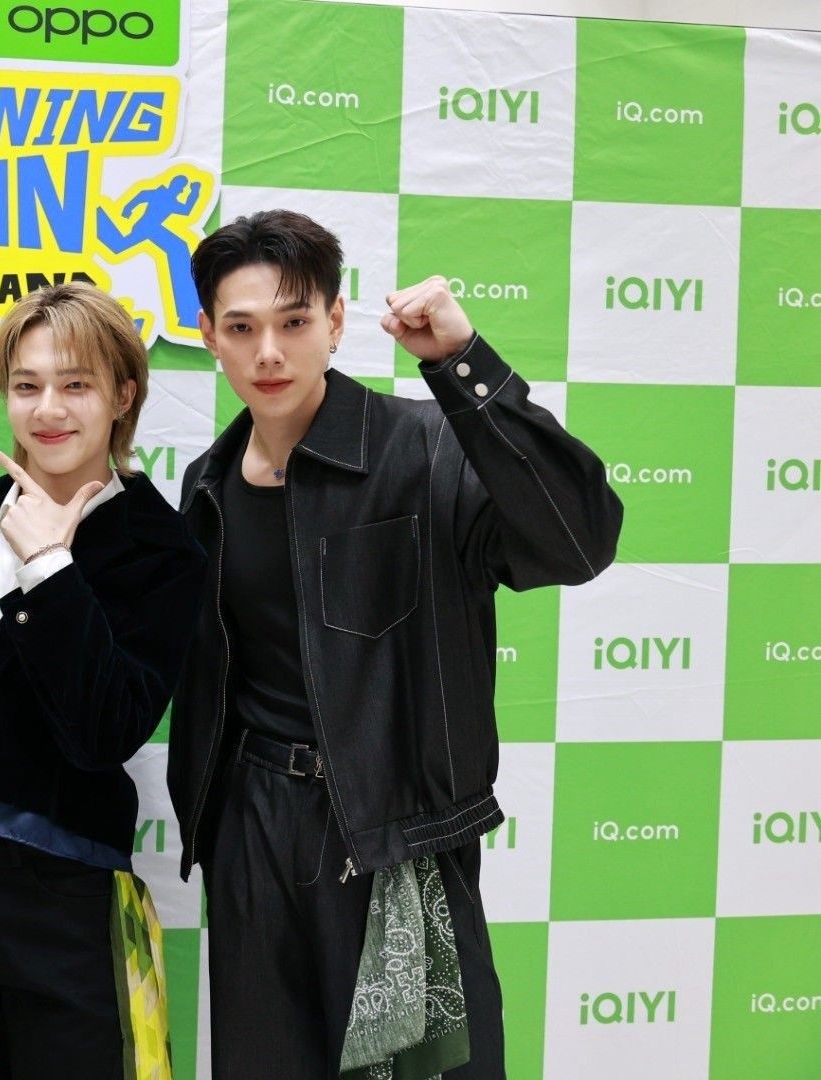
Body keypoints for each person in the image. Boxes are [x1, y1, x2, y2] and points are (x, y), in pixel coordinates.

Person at [167, 211, 622, 1078]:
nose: (270, 352)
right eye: (243, 328)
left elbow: (579, 541)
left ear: (336, 322)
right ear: (210, 338)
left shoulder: (431, 447)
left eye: (294, 321)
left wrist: (464, 365)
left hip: (397, 840)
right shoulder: (208, 485)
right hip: (254, 831)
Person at [0, 282, 207, 1078]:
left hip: (66, 901)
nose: (48, 409)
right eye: (27, 385)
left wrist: (52, 570)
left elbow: (104, 732)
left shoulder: (161, 551)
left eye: (76, 384)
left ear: (122, 395)